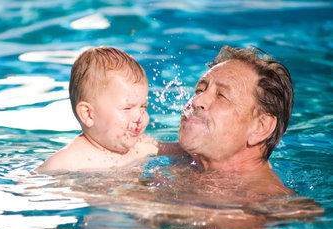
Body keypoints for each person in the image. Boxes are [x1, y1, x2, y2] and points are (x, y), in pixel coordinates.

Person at [36, 46, 180, 173]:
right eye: (127, 108)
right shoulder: (67, 161)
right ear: (88, 114)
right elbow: (32, 187)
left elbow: (188, 153)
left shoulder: (143, 145)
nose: (139, 117)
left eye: (143, 106)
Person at [178, 45, 295, 195]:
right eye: (200, 90)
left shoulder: (264, 204)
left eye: (221, 96)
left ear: (261, 127)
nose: (196, 101)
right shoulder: (184, 163)